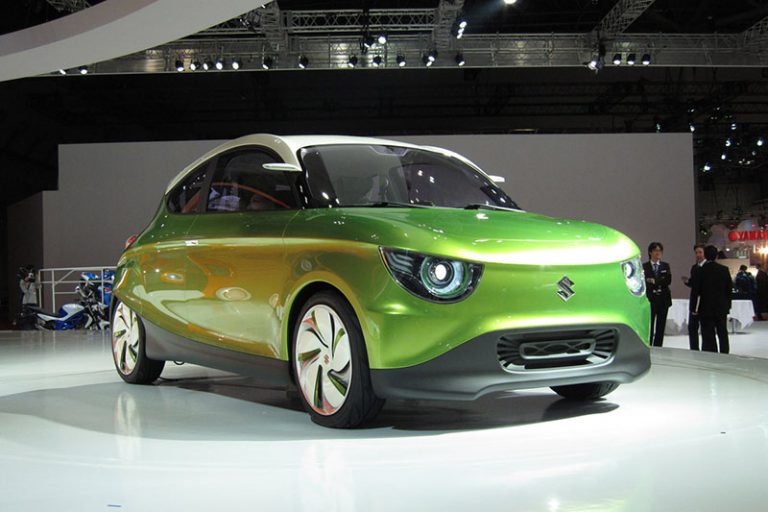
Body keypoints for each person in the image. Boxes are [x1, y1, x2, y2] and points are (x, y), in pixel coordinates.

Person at [691, 245, 732, 354]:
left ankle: (711, 355)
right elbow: (728, 290)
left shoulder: (700, 270)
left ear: (705, 255)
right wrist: (728, 306)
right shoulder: (724, 270)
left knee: (708, 334)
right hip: (721, 307)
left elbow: (696, 291)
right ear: (716, 255)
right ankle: (724, 353)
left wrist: (694, 308)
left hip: (706, 308)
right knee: (722, 332)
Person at [642, 242, 672, 347]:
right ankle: (649, 345)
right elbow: (644, 281)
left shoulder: (665, 266)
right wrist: (656, 282)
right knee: (649, 325)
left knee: (661, 325)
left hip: (663, 299)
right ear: (650, 252)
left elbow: (668, 280)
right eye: (655, 250)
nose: (658, 253)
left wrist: (654, 281)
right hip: (650, 299)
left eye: (659, 250)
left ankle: (658, 346)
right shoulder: (644, 266)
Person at [681, 244, 705, 350]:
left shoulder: (707, 267)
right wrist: (687, 282)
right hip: (694, 302)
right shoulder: (694, 268)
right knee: (692, 328)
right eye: (696, 253)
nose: (698, 255)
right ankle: (694, 349)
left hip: (704, 302)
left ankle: (705, 350)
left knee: (705, 328)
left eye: (700, 252)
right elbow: (694, 284)